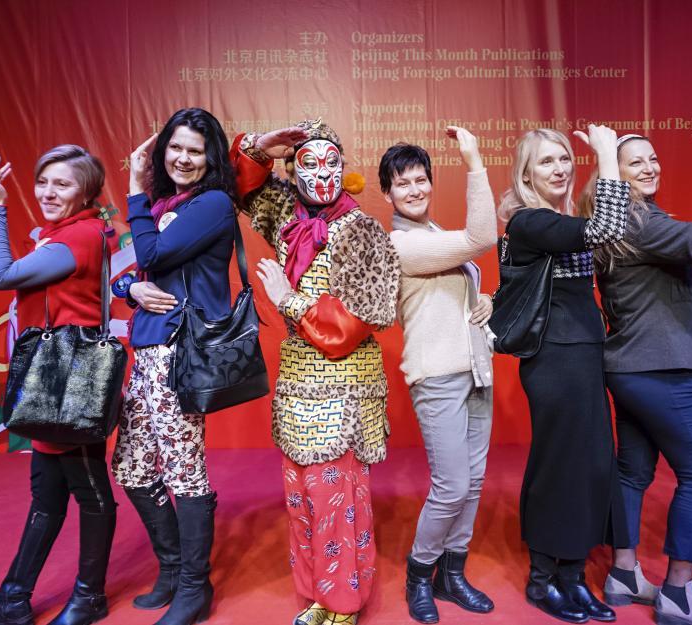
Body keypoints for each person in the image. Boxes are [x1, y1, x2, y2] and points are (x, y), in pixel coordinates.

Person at [231, 119, 400, 625]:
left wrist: (289, 299)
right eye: (310, 163)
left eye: (332, 163)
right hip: (298, 384)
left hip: (343, 385)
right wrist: (263, 146)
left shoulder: (362, 231)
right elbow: (238, 185)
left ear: (345, 170)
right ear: (293, 171)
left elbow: (353, 325)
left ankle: (343, 603)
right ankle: (316, 595)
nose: (323, 174)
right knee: (302, 498)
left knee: (337, 499)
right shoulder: (287, 214)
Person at [587, 131, 692, 625]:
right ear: (614, 175)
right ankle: (677, 595)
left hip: (631, 368)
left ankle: (623, 574)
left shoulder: (626, 221)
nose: (650, 167)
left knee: (633, 472)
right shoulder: (639, 222)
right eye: (635, 163)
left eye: (652, 159)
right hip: (658, 371)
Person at [0, 146, 115, 625]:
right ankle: (12, 600)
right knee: (47, 494)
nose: (48, 193)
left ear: (86, 193)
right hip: (51, 382)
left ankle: (89, 596)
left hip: (70, 384)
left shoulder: (78, 238)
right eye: (43, 182)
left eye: (62, 184)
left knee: (90, 492)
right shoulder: (67, 233)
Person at [110, 107, 239, 625]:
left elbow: (154, 255)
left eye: (195, 150)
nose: (183, 158)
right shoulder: (167, 204)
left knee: (184, 469)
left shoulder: (212, 203)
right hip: (147, 349)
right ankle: (171, 567)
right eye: (176, 147)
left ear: (211, 158)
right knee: (132, 468)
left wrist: (134, 190)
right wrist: (130, 289)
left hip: (180, 351)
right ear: (164, 150)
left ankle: (194, 586)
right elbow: (137, 272)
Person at [497, 125, 629, 624]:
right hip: (554, 357)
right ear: (525, 174)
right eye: (546, 161)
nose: (559, 168)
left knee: (591, 463)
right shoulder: (529, 221)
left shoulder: (560, 218)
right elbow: (606, 228)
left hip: (585, 352)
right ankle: (541, 579)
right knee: (560, 464)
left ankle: (572, 577)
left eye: (564, 158)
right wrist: (608, 156)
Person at [381, 128, 497, 624]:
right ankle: (419, 575)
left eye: (420, 179)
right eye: (402, 183)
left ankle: (453, 574)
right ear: (387, 194)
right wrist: (474, 160)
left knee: (473, 483)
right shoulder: (401, 243)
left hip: (476, 370)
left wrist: (483, 299)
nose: (414, 189)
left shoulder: (433, 235)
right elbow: (481, 238)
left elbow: (451, 292)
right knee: (451, 486)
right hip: (437, 377)